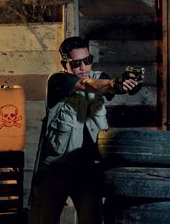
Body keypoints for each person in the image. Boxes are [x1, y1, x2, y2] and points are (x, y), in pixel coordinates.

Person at [30, 36, 141, 224]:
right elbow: (86, 85)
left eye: (87, 61)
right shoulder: (58, 80)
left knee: (92, 220)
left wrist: (126, 84)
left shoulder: (101, 77)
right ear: (65, 63)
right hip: (57, 168)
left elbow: (111, 87)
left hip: (88, 169)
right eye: (76, 63)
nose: (83, 67)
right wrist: (114, 84)